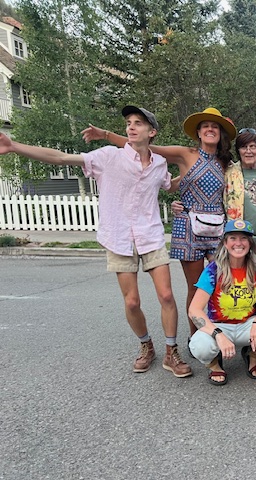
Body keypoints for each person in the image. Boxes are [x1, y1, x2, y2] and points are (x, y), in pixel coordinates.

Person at [1, 106, 192, 377]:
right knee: (132, 302)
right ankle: (146, 345)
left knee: (166, 295)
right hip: (119, 237)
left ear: (152, 132)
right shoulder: (108, 157)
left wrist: (193, 173)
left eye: (138, 123)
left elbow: (168, 185)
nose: (131, 127)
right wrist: (14, 146)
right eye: (128, 122)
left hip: (150, 236)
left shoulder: (159, 164)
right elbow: (60, 158)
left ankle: (171, 352)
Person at [83, 107, 237, 338]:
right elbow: (143, 146)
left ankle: (224, 332)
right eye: (205, 126)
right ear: (198, 131)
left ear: (221, 132)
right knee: (196, 288)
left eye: (214, 126)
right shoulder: (185, 153)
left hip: (218, 229)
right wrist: (105, 134)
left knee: (224, 281)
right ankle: (197, 338)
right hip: (189, 228)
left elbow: (245, 175)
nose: (210, 129)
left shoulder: (226, 163)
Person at [187, 219, 256, 385]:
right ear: (225, 243)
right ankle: (214, 363)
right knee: (199, 345)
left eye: (243, 238)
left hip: (247, 324)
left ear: (250, 243)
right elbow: (194, 310)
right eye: (233, 238)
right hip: (220, 325)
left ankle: (253, 354)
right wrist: (217, 334)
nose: (238, 243)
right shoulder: (214, 269)